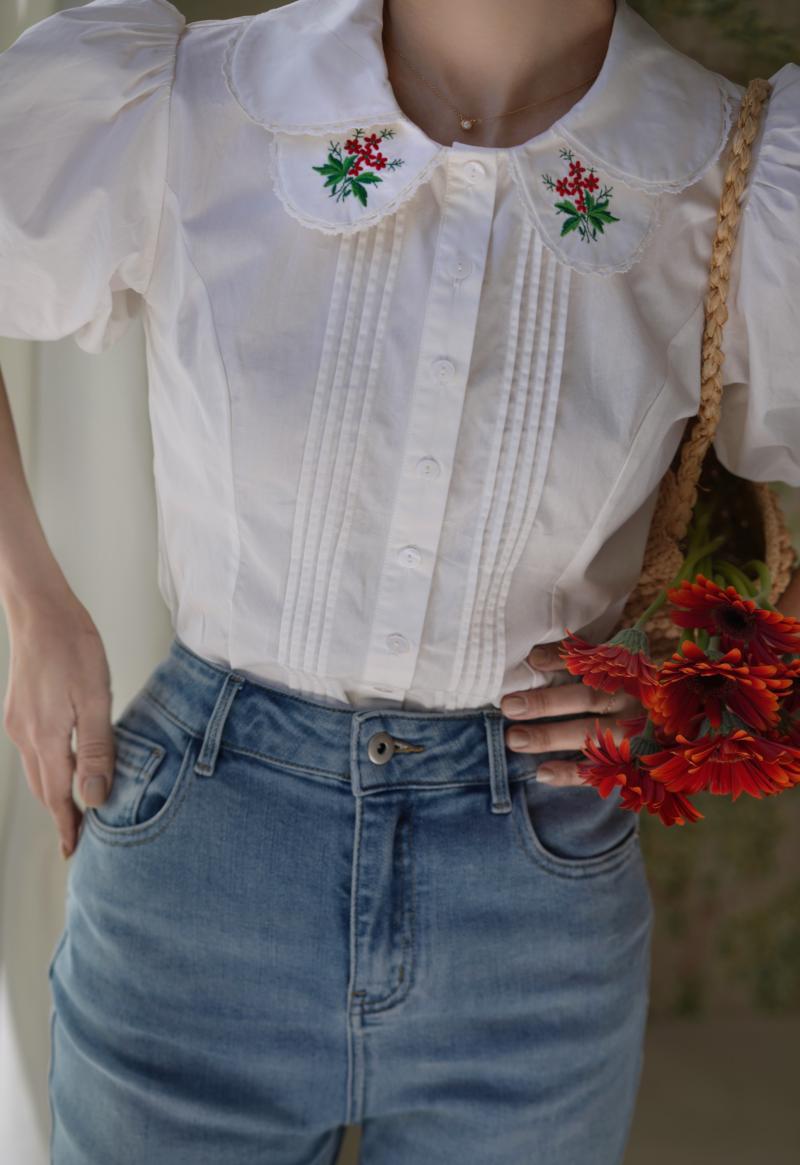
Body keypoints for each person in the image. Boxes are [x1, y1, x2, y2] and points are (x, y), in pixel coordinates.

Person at [0, 0, 798, 1161]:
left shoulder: (729, 178)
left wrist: (696, 687)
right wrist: (31, 602)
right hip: (203, 864)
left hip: (535, 893)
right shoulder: (188, 103)